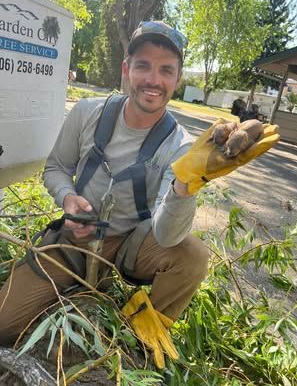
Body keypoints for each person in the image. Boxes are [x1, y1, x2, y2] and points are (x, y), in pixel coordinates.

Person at [0, 21, 279, 369]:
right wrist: (68, 199)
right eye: (143, 65)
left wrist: (185, 183)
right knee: (4, 326)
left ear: (177, 80)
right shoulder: (88, 113)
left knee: (192, 255)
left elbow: (166, 235)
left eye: (166, 70)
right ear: (126, 68)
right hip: (73, 239)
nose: (153, 79)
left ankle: (143, 326)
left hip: (129, 244)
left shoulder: (179, 145)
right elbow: (56, 168)